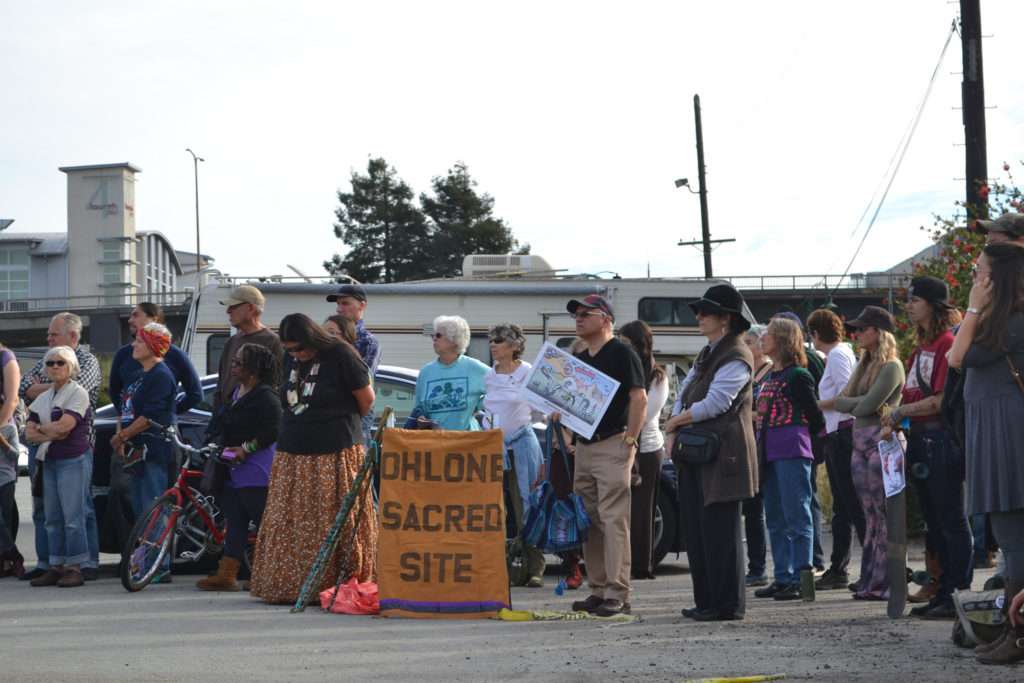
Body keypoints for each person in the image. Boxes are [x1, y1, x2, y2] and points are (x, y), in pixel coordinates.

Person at [250, 313, 376, 605]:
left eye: (300, 348)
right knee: (291, 519)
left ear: (313, 339)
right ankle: (289, 585)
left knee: (330, 518)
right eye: (290, 349)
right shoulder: (292, 359)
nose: (296, 354)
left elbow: (366, 400)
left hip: (334, 450)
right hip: (293, 450)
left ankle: (336, 584)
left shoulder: (341, 354)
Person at [948, 242, 1024, 665]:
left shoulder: (1010, 321)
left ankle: (1019, 634)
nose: (975, 279)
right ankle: (1014, 630)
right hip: (998, 428)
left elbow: (955, 357)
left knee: (1015, 539)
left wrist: (974, 308)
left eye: (980, 272)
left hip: (1007, 432)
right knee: (1012, 537)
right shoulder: (1005, 319)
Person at [665, 284, 756, 622]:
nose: (699, 316)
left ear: (727, 318)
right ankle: (707, 601)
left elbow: (717, 403)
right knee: (699, 529)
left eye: (706, 311)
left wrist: (674, 422)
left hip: (725, 455)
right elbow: (685, 391)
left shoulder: (737, 354)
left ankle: (727, 604)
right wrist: (674, 424)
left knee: (721, 531)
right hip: (700, 453)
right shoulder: (708, 352)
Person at [881, 276, 970, 619]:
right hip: (921, 440)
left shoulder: (948, 343)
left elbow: (941, 400)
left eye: (915, 299)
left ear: (933, 304)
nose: (909, 305)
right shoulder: (922, 348)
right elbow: (913, 394)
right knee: (935, 522)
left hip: (941, 441)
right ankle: (943, 588)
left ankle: (956, 593)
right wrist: (895, 420)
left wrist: (900, 412)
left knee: (951, 520)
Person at [562, 295, 646, 617]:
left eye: (586, 314)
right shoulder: (582, 356)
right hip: (583, 446)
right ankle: (597, 589)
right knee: (590, 521)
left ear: (606, 319)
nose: (579, 319)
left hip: (612, 443)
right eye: (576, 315)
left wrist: (630, 441)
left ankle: (618, 592)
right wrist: (564, 422)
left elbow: (638, 398)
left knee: (613, 520)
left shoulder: (622, 352)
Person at [825, 306, 905, 601]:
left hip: (879, 442)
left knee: (881, 515)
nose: (856, 334)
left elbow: (863, 405)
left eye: (862, 329)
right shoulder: (863, 364)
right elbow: (846, 401)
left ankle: (884, 581)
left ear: (878, 332)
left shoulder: (892, 366)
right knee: (868, 514)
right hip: (860, 441)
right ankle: (870, 577)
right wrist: (854, 403)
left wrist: (852, 403)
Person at [18, 312, 101, 582]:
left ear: (73, 336)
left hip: (75, 454)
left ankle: (82, 565)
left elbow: (65, 425)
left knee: (77, 511)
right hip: (47, 457)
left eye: (59, 363)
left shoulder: (86, 367)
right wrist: (45, 431)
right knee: (48, 511)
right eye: (50, 363)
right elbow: (23, 390)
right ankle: (51, 565)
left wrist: (43, 429)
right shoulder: (51, 381)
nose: (53, 366)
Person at [198, 344, 282, 592]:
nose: (232, 366)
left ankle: (270, 574)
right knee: (235, 522)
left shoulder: (267, 397)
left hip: (256, 469)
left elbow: (274, 429)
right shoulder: (237, 391)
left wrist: (247, 448)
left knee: (263, 523)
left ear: (253, 369)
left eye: (238, 363)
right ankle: (227, 574)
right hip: (232, 468)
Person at [752, 318, 825, 601]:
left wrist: (813, 447)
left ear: (782, 339)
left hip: (792, 447)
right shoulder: (772, 375)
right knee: (775, 516)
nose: (763, 339)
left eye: (768, 335)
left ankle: (800, 576)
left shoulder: (798, 375)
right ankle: (782, 575)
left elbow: (815, 415)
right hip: (770, 447)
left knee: (797, 514)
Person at [111, 322, 178, 583]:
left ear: (153, 346)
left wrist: (122, 436)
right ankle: (145, 560)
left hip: (155, 448)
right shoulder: (139, 374)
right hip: (137, 448)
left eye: (139, 341)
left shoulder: (161, 374)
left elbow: (150, 415)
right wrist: (124, 436)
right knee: (142, 509)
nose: (133, 346)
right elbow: (125, 408)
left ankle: (159, 564)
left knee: (154, 508)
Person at [482, 323, 545, 587]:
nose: (493, 345)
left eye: (498, 340)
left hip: (522, 442)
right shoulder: (488, 375)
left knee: (527, 502)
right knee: (497, 505)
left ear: (514, 345)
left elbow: (542, 407)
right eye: (491, 340)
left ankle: (535, 566)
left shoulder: (528, 372)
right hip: (494, 445)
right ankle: (503, 564)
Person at [806, 308, 864, 592]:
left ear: (816, 334)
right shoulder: (839, 354)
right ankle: (839, 567)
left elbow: (846, 394)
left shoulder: (839, 356)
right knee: (843, 506)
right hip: (837, 433)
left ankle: (869, 566)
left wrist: (817, 404)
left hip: (842, 433)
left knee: (850, 504)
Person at [618, 320, 669, 581]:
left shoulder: (657, 376)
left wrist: (625, 426)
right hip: (620, 444)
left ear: (640, 345)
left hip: (647, 448)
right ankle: (622, 563)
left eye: (626, 342)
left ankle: (642, 565)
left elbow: (647, 414)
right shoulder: (621, 370)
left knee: (643, 509)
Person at [109, 302, 202, 415]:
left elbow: (195, 395)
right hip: (130, 429)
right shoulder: (123, 354)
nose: (130, 320)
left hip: (158, 430)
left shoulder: (175, 356)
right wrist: (126, 416)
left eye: (136, 315)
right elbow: (114, 392)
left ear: (153, 319)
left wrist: (167, 413)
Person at [213, 286, 284, 415]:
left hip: (254, 418)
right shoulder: (231, 342)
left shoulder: (273, 342)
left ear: (250, 308)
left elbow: (278, 384)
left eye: (233, 307)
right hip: (227, 417)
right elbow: (221, 382)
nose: (228, 311)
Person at [412, 316, 489, 431]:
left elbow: (500, 388)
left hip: (467, 442)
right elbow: (419, 408)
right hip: (434, 442)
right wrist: (421, 419)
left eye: (438, 335)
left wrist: (478, 405)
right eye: (433, 335)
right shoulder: (426, 372)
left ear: (454, 340)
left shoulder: (475, 368)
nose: (434, 339)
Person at [327, 284, 381, 443]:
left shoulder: (368, 341)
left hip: (355, 413)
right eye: (338, 304)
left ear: (362, 305)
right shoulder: (329, 337)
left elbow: (361, 380)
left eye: (345, 303)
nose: (339, 309)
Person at [741, 324, 772, 587]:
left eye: (749, 342)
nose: (746, 347)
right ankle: (755, 565)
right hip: (745, 445)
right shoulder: (745, 372)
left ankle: (761, 567)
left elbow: (767, 413)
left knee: (760, 510)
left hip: (765, 447)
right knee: (750, 510)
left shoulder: (771, 372)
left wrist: (743, 415)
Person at [0, 342, 22, 578]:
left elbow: (12, 399)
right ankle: (10, 555)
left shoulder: (6, 356)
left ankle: (10, 558)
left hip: (4, 473)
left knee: (5, 516)